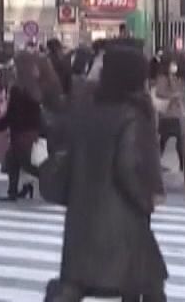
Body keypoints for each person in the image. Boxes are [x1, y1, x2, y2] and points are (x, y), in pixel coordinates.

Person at [50, 42, 167, 302]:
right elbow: (128, 167)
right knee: (147, 281)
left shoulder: (88, 109)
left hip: (83, 211)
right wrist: (145, 200)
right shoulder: (133, 115)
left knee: (78, 280)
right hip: (122, 216)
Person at [0, 54, 47, 201]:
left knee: (27, 163)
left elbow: (13, 112)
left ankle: (57, 183)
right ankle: (12, 191)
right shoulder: (34, 87)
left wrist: (0, 124)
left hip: (20, 132)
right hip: (31, 131)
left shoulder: (18, 89)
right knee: (14, 161)